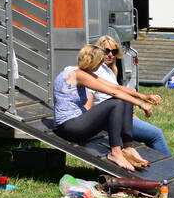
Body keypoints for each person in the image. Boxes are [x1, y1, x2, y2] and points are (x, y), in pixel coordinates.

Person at [52, 44, 154, 172]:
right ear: (94, 61)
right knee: (116, 102)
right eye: (100, 62)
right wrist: (141, 105)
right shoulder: (77, 75)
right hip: (68, 127)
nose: (101, 65)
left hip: (78, 122)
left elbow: (116, 88)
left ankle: (128, 147)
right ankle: (115, 152)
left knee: (125, 99)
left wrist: (143, 97)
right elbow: (113, 93)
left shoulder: (81, 72)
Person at [93, 35, 171, 157]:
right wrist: (143, 99)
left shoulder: (108, 70)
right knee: (156, 135)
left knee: (150, 134)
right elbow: (116, 91)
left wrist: (131, 115)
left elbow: (119, 95)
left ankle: (161, 165)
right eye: (106, 51)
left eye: (114, 52)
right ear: (98, 51)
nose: (110, 55)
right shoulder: (97, 70)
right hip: (109, 119)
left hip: (117, 115)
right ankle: (171, 168)